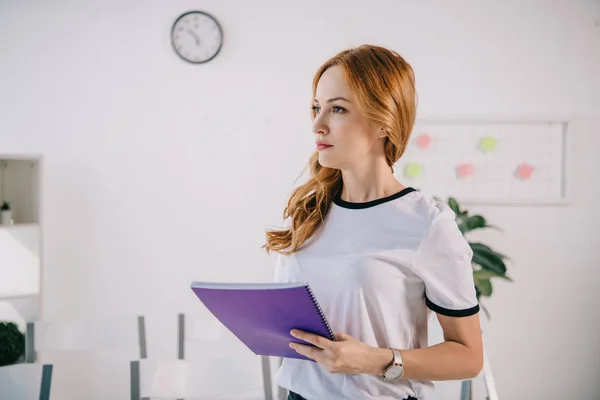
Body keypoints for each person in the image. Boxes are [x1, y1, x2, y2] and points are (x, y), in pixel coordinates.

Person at [263, 44, 483, 400]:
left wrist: (378, 360)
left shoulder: (428, 224)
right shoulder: (308, 212)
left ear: (384, 122)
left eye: (337, 109)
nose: (318, 124)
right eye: (317, 108)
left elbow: (469, 357)